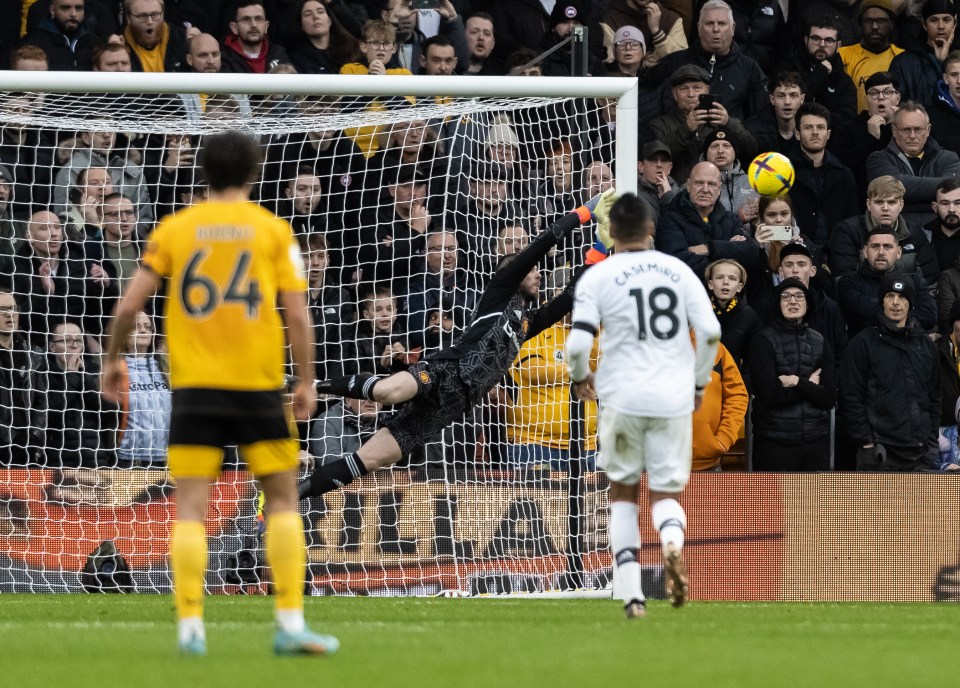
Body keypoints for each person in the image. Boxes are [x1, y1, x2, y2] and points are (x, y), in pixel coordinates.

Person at [100, 130, 338, 656]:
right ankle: (290, 623)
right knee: (281, 503)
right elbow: (297, 313)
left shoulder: (176, 229)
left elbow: (128, 305)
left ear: (203, 173)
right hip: (256, 386)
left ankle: (189, 627)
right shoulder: (274, 231)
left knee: (189, 509)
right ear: (253, 173)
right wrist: (305, 379)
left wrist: (113, 359)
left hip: (194, 389)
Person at [297, 190, 616, 499]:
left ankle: (288, 498)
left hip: (446, 409)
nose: (538, 275)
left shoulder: (526, 324)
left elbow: (573, 293)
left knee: (367, 461)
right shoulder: (499, 294)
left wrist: (602, 242)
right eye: (531, 270)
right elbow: (540, 244)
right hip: (443, 373)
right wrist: (586, 211)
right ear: (514, 272)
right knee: (386, 392)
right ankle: (312, 385)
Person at [566, 192, 721, 617]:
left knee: (623, 495)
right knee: (666, 493)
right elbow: (709, 331)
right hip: (671, 396)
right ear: (652, 229)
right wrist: (697, 382)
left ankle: (633, 595)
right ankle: (671, 541)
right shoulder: (677, 270)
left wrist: (581, 377)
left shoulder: (598, 276)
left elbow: (577, 342)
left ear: (611, 231)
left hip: (621, 395)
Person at [839, 274, 941, 471]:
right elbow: (850, 397)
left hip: (920, 454)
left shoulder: (926, 346)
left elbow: (934, 397)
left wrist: (932, 441)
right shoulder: (862, 343)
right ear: (881, 301)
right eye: (890, 296)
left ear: (911, 304)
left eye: (902, 297)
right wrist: (866, 442)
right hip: (879, 453)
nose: (896, 303)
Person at [748, 278, 836, 471]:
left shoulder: (819, 340)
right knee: (771, 501)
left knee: (811, 502)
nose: (793, 301)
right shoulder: (763, 339)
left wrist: (796, 381)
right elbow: (769, 395)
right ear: (777, 304)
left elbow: (829, 398)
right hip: (774, 442)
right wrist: (811, 386)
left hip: (814, 442)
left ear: (808, 303)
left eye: (799, 296)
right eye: (785, 296)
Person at [865, 101, 960, 225]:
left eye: (918, 129)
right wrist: (938, 192)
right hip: (897, 232)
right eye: (906, 130)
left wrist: (908, 198)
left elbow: (953, 192)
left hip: (941, 231)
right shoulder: (878, 159)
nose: (912, 135)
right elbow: (888, 193)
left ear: (928, 130)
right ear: (894, 130)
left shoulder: (949, 158)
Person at [837, 226, 938, 337]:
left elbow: (929, 315)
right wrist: (905, 314)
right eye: (875, 246)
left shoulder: (915, 281)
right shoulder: (849, 282)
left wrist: (877, 317)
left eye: (887, 247)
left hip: (908, 349)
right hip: (866, 350)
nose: (881, 252)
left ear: (899, 252)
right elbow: (856, 316)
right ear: (865, 251)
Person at [888, 0, 959, 108]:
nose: (941, 26)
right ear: (924, 25)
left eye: (946, 20)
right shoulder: (903, 63)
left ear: (954, 23)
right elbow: (895, 107)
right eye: (934, 20)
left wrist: (944, 63)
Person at [691, 341, 747, 472]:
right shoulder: (647, 349)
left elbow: (737, 395)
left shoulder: (714, 349)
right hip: (654, 464)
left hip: (707, 465)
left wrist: (724, 438)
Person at [838, 1, 904, 113]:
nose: (874, 26)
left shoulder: (903, 57)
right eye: (868, 21)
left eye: (881, 21)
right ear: (860, 24)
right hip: (853, 126)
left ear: (891, 24)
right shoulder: (842, 55)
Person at [20, 0, 97, 70]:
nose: (73, 14)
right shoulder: (32, 44)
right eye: (65, 8)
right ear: (52, 10)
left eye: (79, 8)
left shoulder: (95, 44)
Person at [221, 0, 290, 73]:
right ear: (234, 28)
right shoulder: (224, 58)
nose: (254, 25)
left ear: (266, 26)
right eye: (246, 20)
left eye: (258, 19)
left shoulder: (279, 53)